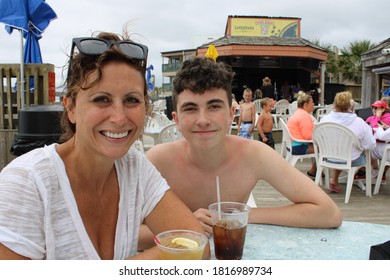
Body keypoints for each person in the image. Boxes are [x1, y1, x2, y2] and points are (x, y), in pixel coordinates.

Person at [0, 32, 208, 260]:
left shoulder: (134, 168)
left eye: (131, 100)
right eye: (102, 99)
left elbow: (198, 244)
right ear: (70, 108)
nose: (119, 118)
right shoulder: (27, 183)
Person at [141, 57, 341, 246]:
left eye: (214, 106)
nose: (203, 120)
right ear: (176, 119)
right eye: (191, 109)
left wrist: (241, 215)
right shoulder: (159, 161)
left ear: (230, 115)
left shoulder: (254, 154)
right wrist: (183, 226)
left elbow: (329, 213)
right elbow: (122, 232)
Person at [320, 91, 376, 193]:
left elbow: (318, 139)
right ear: (350, 106)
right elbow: (371, 144)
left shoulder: (324, 120)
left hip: (328, 158)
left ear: (334, 104)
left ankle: (336, 179)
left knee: (343, 150)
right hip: (351, 159)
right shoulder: (359, 122)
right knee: (367, 154)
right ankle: (359, 175)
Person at [287, 91, 318, 178]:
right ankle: (315, 171)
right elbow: (308, 136)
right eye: (312, 102)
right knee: (322, 148)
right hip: (298, 147)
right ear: (305, 105)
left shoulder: (298, 113)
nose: (313, 104)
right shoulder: (304, 116)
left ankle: (316, 171)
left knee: (316, 145)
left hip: (293, 144)